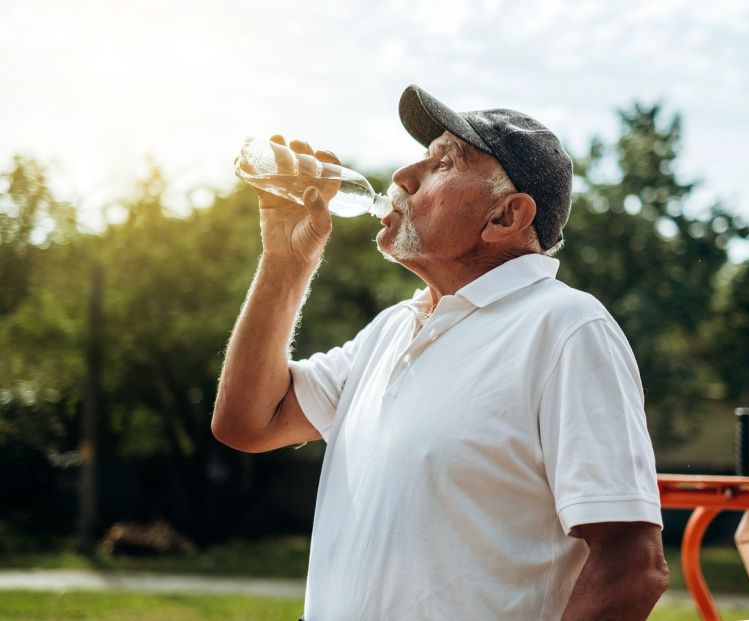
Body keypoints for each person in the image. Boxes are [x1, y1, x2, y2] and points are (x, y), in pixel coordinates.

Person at [212, 84, 668, 620]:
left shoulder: (565, 327)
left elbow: (632, 566)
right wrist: (287, 260)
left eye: (444, 163)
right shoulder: (390, 330)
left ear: (505, 217)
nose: (403, 177)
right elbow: (247, 421)